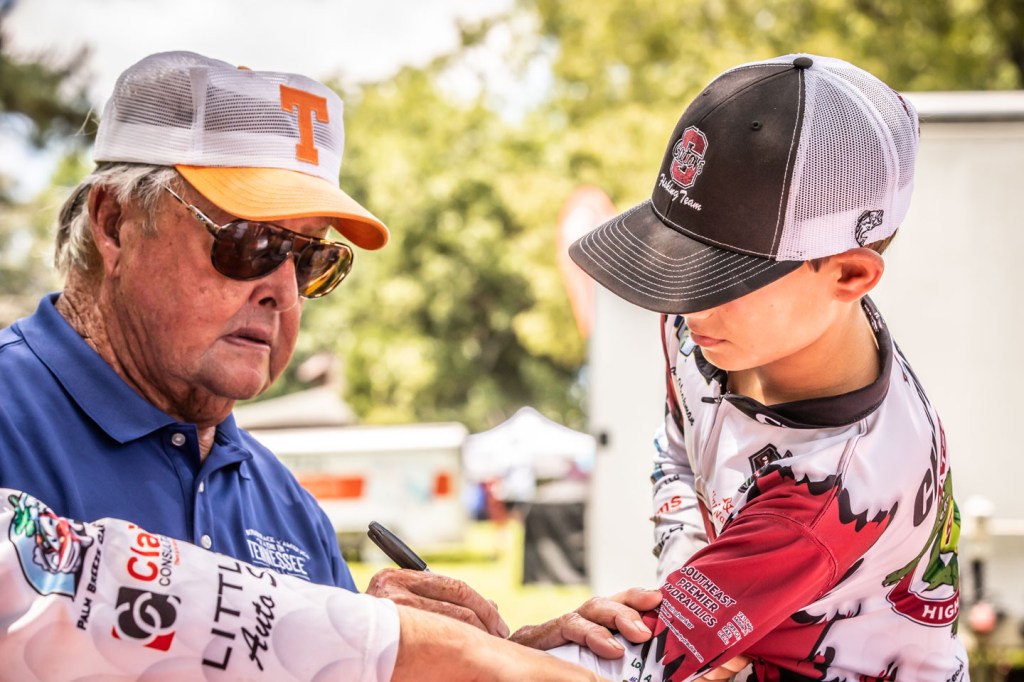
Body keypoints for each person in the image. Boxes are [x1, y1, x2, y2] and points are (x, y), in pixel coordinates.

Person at [0, 50, 658, 679]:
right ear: (114, 223)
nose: (283, 290)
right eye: (250, 242)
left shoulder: (285, 504)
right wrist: (361, 644)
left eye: (311, 257)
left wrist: (482, 662)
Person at [556, 54, 970, 680]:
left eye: (727, 277)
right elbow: (677, 448)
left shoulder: (837, 484)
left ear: (849, 275)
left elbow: (626, 668)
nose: (688, 302)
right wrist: (697, 583)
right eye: (682, 259)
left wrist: (454, 642)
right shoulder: (715, 328)